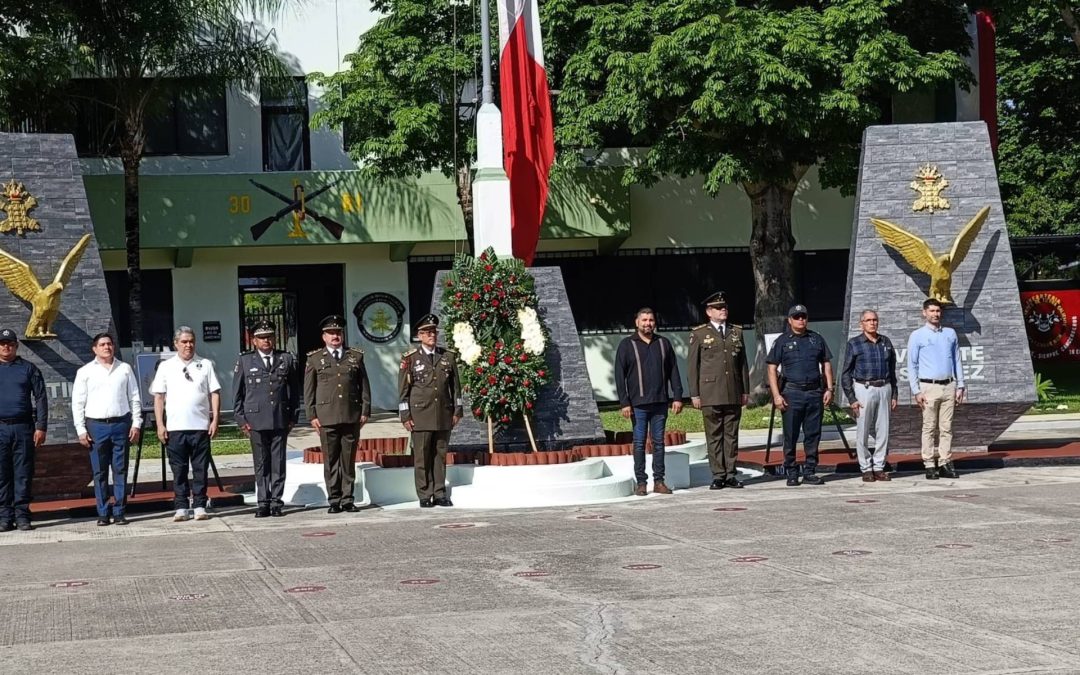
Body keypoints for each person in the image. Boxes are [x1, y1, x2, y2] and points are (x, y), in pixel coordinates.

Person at [151, 326, 221, 522]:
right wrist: (160, 424)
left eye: (191, 341)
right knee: (179, 469)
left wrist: (215, 419)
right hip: (175, 428)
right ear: (175, 344)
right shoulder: (166, 366)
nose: (188, 345)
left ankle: (199, 505)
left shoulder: (205, 364)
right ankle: (181, 506)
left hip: (200, 427)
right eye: (184, 341)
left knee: (200, 469)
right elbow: (158, 397)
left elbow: (214, 393)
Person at [71, 332, 142, 526]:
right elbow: (78, 403)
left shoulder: (125, 369)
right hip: (96, 426)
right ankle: (103, 512)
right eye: (102, 344)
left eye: (109, 344)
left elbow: (134, 397)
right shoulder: (85, 372)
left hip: (121, 424)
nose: (107, 347)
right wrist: (81, 430)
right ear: (94, 349)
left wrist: (136, 423)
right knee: (100, 472)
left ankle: (119, 511)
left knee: (120, 469)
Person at [304, 314, 370, 514]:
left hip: (351, 414)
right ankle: (334, 499)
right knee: (331, 460)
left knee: (348, 460)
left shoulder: (355, 356)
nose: (335, 336)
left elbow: (364, 386)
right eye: (331, 333)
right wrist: (312, 415)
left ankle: (348, 498)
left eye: (338, 332)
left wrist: (365, 410)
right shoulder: (315, 359)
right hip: (326, 416)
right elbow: (309, 390)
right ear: (324, 337)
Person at [233, 320, 299, 518]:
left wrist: (293, 417)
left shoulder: (285, 359)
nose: (266, 341)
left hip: (280, 418)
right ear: (254, 341)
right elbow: (237, 394)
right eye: (261, 337)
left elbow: (294, 392)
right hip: (255, 419)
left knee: (278, 462)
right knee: (261, 463)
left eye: (269, 336)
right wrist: (240, 419)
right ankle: (262, 502)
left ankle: (276, 502)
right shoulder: (245, 361)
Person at [615, 307, 683, 496]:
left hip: (660, 402)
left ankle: (659, 481)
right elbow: (619, 376)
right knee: (638, 443)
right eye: (644, 320)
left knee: (659, 442)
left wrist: (677, 396)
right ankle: (641, 483)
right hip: (637, 405)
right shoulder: (627, 345)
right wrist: (624, 402)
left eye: (651, 320)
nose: (647, 323)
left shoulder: (664, 343)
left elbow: (674, 372)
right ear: (637, 322)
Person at [398, 314, 462, 508]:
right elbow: (403, 391)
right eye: (427, 333)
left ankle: (440, 493)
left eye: (434, 332)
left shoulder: (447, 356)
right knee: (422, 455)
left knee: (440, 454)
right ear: (419, 336)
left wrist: (457, 410)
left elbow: (455, 387)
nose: (432, 335)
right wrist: (405, 415)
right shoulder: (410, 359)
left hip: (443, 412)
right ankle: (425, 494)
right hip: (420, 415)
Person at [766, 304, 834, 486]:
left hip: (814, 392)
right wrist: (776, 395)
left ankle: (810, 471)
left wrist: (829, 388)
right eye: (796, 317)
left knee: (813, 435)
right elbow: (772, 369)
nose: (801, 320)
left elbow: (826, 363)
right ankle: (791, 471)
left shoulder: (816, 339)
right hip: (791, 393)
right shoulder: (782, 341)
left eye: (803, 316)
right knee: (791, 435)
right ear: (790, 321)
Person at [688, 291, 749, 490]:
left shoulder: (736, 332)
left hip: (732, 389)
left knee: (731, 434)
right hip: (710, 391)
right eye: (718, 307)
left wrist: (745, 390)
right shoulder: (699, 334)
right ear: (708, 311)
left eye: (725, 307)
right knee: (714, 435)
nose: (723, 310)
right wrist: (695, 394)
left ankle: (731, 473)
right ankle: (718, 475)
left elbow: (742, 363)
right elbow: (692, 366)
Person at [907, 298, 965, 480]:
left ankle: (945, 462)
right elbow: (912, 365)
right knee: (929, 427)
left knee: (946, 428)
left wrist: (960, 385)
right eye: (931, 311)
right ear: (924, 313)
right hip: (928, 387)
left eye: (938, 311)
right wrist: (916, 390)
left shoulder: (950, 333)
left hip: (949, 385)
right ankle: (929, 464)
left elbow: (957, 360)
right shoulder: (917, 335)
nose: (935, 314)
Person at [840, 311, 897, 483]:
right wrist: (852, 398)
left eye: (875, 320)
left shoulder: (885, 342)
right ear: (861, 324)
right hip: (864, 388)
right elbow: (845, 373)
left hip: (884, 387)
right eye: (868, 320)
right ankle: (865, 468)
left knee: (883, 430)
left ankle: (879, 467)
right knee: (863, 430)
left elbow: (892, 370)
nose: (872, 323)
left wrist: (894, 393)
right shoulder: (854, 344)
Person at [0, 328, 47, 532]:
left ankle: (22, 516)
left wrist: (41, 426)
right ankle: (4, 517)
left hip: (23, 427)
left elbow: (41, 398)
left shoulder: (28, 368)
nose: (6, 346)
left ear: (16, 346)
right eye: (2, 343)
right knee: (2, 475)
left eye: (10, 343)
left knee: (23, 473)